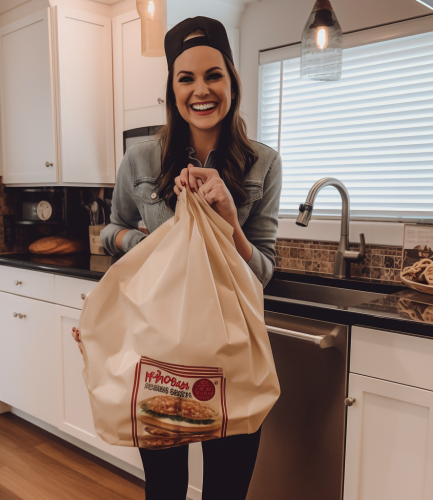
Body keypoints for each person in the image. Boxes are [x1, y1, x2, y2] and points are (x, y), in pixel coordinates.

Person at [72, 16, 282, 500]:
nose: (201, 90)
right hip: (159, 354)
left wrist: (229, 216)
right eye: (185, 78)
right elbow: (110, 233)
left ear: (232, 82)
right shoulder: (141, 161)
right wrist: (150, 244)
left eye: (214, 75)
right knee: (164, 488)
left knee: (226, 491)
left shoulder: (263, 163)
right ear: (172, 89)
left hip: (232, 358)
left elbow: (263, 272)